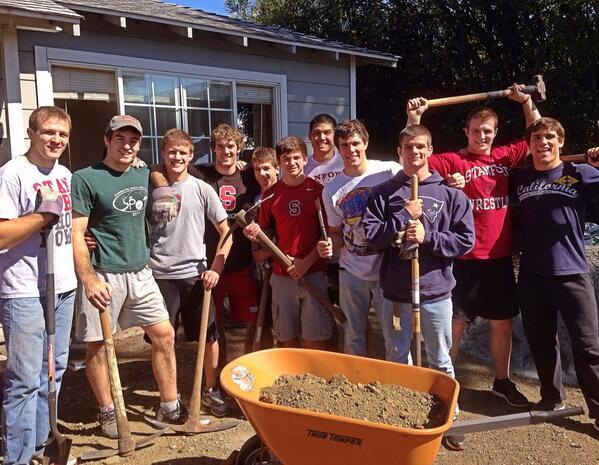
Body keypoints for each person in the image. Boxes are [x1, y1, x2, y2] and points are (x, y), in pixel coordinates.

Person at [405, 84, 541, 407]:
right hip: (463, 256)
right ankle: (445, 382)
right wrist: (414, 116)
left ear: (495, 133)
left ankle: (502, 381)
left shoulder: (503, 158)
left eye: (488, 131)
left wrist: (526, 101)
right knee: (456, 321)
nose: (482, 136)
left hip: (499, 257)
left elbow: (537, 134)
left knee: (502, 322)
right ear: (466, 131)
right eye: (477, 131)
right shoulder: (453, 161)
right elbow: (414, 157)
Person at [71, 115, 186, 439]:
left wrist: (162, 183)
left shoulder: (141, 171)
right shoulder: (86, 178)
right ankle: (108, 411)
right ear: (107, 140)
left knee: (164, 335)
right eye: (120, 138)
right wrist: (89, 279)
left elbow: (154, 174)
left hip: (140, 271)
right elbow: (77, 234)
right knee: (97, 346)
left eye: (133, 140)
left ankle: (169, 406)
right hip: (104, 273)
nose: (127, 145)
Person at [510, 117, 599, 433]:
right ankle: (551, 398)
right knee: (541, 341)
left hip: (572, 273)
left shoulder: (580, 173)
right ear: (529, 144)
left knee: (589, 346)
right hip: (533, 275)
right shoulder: (519, 179)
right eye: (537, 137)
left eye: (549, 137)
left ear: (561, 142)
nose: (543, 142)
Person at [0, 106, 77, 465]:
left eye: (62, 134)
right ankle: (18, 458)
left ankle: (40, 449)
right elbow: (2, 235)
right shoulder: (13, 174)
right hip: (24, 290)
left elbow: (68, 227)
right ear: (32, 132)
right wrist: (43, 216)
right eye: (48, 132)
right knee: (25, 381)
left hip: (62, 286)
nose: (56, 140)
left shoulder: (65, 174)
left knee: (55, 371)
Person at [148, 128, 233, 417]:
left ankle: (211, 390)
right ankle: (168, 401)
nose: (176, 157)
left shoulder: (201, 188)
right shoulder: (149, 186)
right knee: (163, 339)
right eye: (171, 151)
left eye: (182, 152)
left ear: (191, 155)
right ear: (163, 153)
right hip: (159, 274)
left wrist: (216, 268)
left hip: (195, 274)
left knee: (209, 337)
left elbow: (226, 231)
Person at [316, 119, 401, 358]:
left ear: (366, 142)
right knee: (353, 333)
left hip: (388, 270)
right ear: (337, 148)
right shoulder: (331, 189)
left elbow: (418, 171)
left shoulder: (389, 171)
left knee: (393, 334)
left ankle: (400, 386)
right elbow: (337, 235)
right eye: (344, 145)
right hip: (352, 272)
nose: (350, 150)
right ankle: (354, 384)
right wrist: (329, 247)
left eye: (355, 143)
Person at [244, 136, 334, 349]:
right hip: (281, 275)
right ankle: (292, 381)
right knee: (286, 336)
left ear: (305, 159)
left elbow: (328, 234)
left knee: (315, 336)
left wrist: (306, 262)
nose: (291, 163)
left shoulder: (318, 191)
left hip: (313, 273)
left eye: (296, 158)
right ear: (279, 161)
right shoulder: (271, 195)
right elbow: (267, 232)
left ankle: (314, 380)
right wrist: (255, 234)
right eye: (286, 159)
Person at [189, 124, 260, 358]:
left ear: (239, 148)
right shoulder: (201, 174)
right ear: (213, 149)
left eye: (231, 146)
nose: (226, 151)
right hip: (211, 264)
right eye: (220, 146)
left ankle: (248, 364)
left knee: (252, 320)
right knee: (215, 324)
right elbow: (165, 167)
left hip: (242, 264)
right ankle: (220, 370)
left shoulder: (249, 175)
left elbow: (269, 169)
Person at [306, 114, 343, 306]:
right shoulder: (302, 166)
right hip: (313, 253)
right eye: (316, 133)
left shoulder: (347, 161)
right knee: (321, 312)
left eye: (327, 132)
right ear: (310, 136)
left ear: (335, 135)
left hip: (345, 253)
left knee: (351, 316)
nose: (322, 138)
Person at [248, 147, 280, 349]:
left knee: (284, 322)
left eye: (267, 168)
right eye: (257, 169)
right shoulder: (253, 196)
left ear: (277, 168)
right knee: (260, 320)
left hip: (282, 266)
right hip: (258, 271)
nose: (262, 174)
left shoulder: (284, 193)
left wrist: (269, 251)